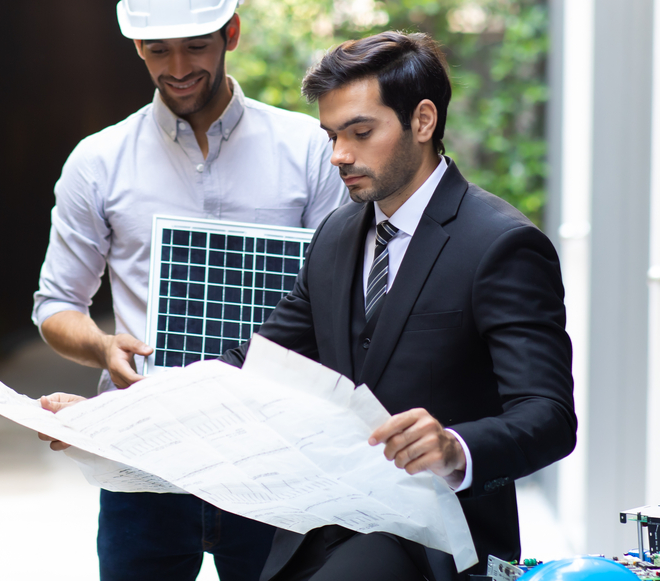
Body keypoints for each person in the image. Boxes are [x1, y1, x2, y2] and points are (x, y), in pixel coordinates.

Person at [32, 0, 347, 581]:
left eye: (196, 46)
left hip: (273, 464)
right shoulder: (99, 162)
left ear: (231, 31)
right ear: (136, 45)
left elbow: (345, 301)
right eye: (157, 49)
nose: (177, 67)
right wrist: (102, 349)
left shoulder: (309, 151)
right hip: (145, 462)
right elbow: (56, 306)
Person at [220, 30, 576, 581]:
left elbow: (549, 418)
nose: (340, 155)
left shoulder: (501, 245)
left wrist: (455, 447)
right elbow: (254, 364)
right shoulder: (335, 236)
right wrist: (118, 414)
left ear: (423, 121)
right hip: (323, 527)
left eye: (360, 132)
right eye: (332, 135)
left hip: (436, 544)